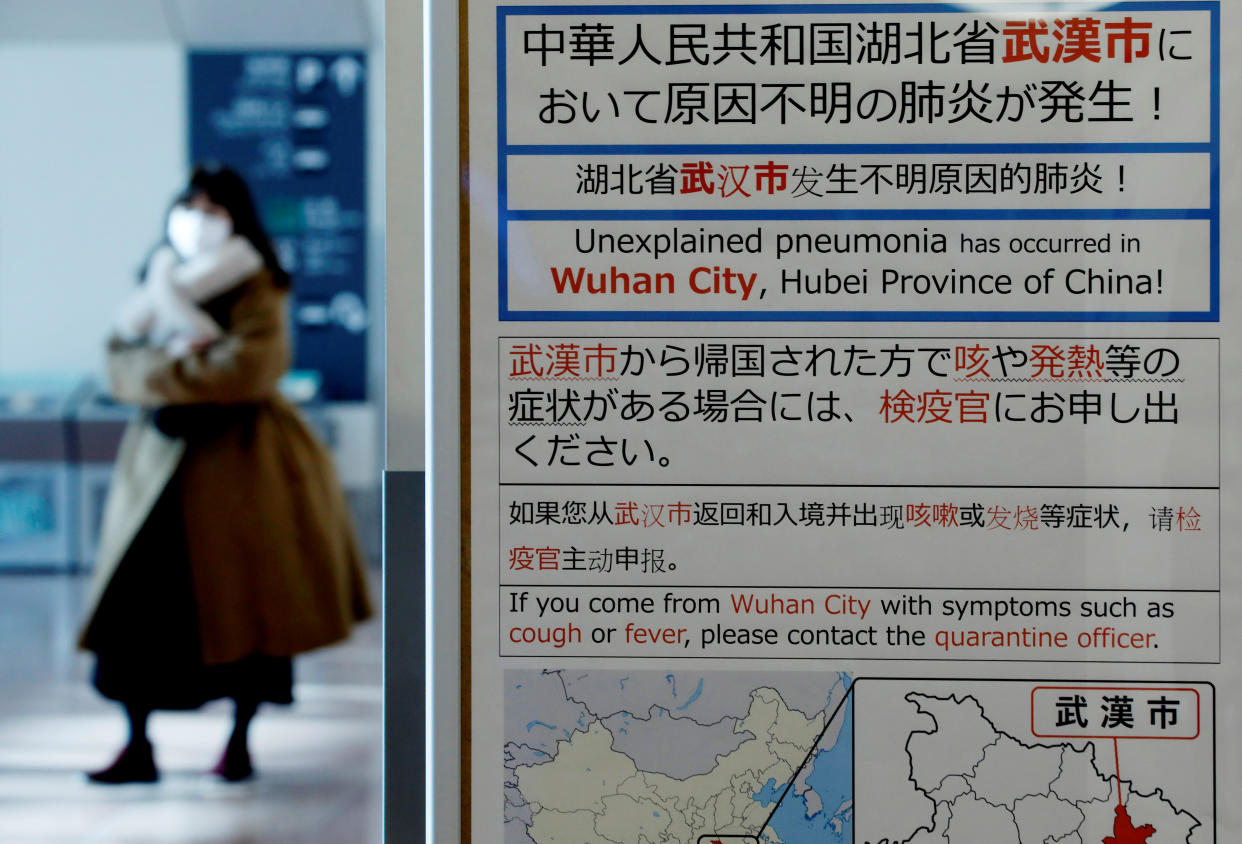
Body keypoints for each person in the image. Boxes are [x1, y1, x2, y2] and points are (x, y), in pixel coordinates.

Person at [78, 164, 373, 784]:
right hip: (158, 468)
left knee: (247, 604)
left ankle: (239, 740)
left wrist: (164, 371)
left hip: (244, 468)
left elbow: (249, 370)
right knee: (136, 611)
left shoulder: (258, 283)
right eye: (190, 206)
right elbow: (115, 363)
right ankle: (137, 743)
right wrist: (183, 364)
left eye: (213, 209)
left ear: (238, 218)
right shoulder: (154, 281)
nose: (197, 220)